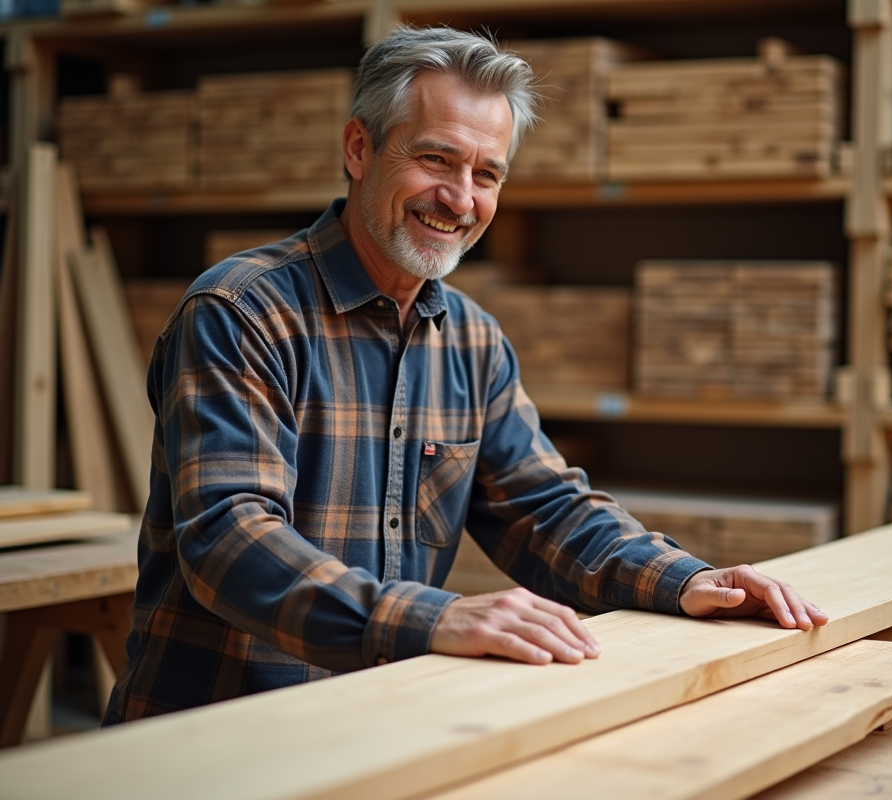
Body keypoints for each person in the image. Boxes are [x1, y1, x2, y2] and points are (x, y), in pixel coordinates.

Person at [103, 24, 828, 725]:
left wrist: (690, 580)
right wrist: (435, 616)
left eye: (487, 174)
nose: (460, 199)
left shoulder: (473, 341)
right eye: (436, 160)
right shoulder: (241, 311)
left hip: (379, 732)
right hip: (218, 734)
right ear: (360, 148)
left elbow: (546, 511)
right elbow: (228, 541)